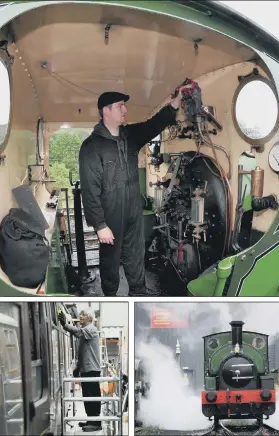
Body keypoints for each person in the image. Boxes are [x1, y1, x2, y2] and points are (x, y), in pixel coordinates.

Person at [79, 87, 189, 296]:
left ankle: (137, 290)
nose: (125, 110)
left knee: (135, 250)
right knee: (110, 257)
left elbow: (153, 125)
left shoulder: (129, 136)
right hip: (110, 211)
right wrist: (100, 225)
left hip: (132, 207)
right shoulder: (91, 147)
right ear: (106, 111)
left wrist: (175, 103)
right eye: (120, 106)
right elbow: (89, 190)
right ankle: (110, 294)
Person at [58, 308, 102, 432]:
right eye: (81, 314)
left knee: (92, 396)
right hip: (86, 368)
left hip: (91, 369)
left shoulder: (91, 329)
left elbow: (78, 333)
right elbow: (83, 351)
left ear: (89, 318)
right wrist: (78, 367)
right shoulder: (86, 330)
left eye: (83, 315)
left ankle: (96, 423)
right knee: (87, 396)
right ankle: (91, 419)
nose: (80, 317)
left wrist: (65, 325)